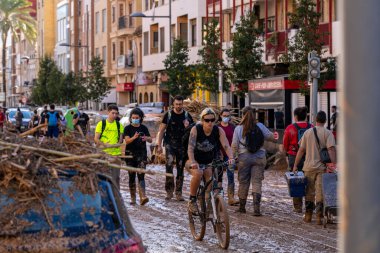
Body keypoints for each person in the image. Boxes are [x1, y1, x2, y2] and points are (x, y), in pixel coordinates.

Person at [187, 108, 235, 214]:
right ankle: (192, 200)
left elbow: (226, 146)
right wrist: (193, 162)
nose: (210, 122)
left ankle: (210, 205)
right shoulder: (196, 129)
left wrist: (231, 158)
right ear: (202, 120)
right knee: (198, 173)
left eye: (212, 120)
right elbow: (190, 148)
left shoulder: (218, 130)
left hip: (209, 161)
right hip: (193, 161)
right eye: (207, 120)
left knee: (210, 179)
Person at [292, 111, 336, 224]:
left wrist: (295, 165)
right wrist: (333, 164)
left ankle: (308, 215)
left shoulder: (307, 132)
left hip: (308, 167)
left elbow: (301, 150)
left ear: (315, 120)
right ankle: (319, 217)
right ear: (325, 121)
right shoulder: (328, 133)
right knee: (320, 192)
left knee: (309, 191)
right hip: (322, 168)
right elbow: (331, 149)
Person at [231, 107, 275, 216]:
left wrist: (234, 156)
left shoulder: (238, 128)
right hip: (259, 157)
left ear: (242, 115)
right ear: (254, 115)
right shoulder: (260, 126)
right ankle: (256, 209)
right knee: (257, 182)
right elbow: (270, 136)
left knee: (243, 182)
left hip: (243, 158)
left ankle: (242, 207)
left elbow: (234, 145)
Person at [156, 95, 194, 201]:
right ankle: (169, 192)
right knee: (169, 167)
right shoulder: (168, 115)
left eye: (180, 104)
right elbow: (161, 130)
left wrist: (188, 126)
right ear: (173, 104)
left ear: (183, 104)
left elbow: (193, 131)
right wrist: (159, 145)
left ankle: (178, 193)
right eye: (176, 104)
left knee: (180, 169)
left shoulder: (187, 115)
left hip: (182, 146)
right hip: (170, 145)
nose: (178, 106)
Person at [283, 107, 312, 213]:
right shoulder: (311, 127)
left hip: (294, 156)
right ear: (306, 116)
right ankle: (309, 204)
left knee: (295, 181)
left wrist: (286, 154)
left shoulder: (290, 128)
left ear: (295, 117)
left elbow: (285, 145)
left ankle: (298, 206)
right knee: (309, 181)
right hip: (309, 157)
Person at [123, 108, 152, 205]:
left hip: (141, 155)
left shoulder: (143, 128)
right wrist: (134, 137)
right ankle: (133, 198)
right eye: (133, 117)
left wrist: (145, 138)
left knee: (141, 175)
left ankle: (143, 196)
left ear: (140, 118)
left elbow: (151, 140)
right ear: (130, 118)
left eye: (137, 118)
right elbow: (126, 141)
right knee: (131, 176)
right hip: (130, 155)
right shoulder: (127, 128)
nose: (135, 119)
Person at [94, 104, 124, 188]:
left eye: (116, 113)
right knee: (103, 176)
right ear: (108, 112)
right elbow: (96, 139)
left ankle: (116, 197)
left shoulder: (119, 125)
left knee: (116, 178)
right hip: (103, 154)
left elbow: (120, 140)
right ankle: (103, 195)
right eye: (113, 113)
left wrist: (117, 144)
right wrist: (106, 145)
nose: (114, 115)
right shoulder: (101, 124)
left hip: (115, 156)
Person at [217, 109, 239, 206]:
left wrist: (235, 154)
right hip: (219, 155)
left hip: (230, 155)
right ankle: (219, 196)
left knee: (231, 176)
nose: (226, 117)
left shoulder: (233, 127)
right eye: (224, 115)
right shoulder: (217, 127)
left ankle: (231, 197)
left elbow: (236, 140)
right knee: (219, 176)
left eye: (228, 115)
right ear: (221, 115)